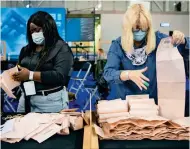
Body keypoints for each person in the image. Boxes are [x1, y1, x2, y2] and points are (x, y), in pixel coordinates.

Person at [103, 4, 189, 104]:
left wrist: (182, 40)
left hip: (153, 103)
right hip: (127, 103)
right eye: (136, 28)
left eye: (144, 28)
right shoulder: (118, 45)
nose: (140, 32)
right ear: (128, 28)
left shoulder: (158, 39)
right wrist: (128, 74)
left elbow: (181, 51)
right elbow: (108, 73)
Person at [12, 11, 74, 112]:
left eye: (38, 29)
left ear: (48, 28)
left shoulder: (61, 48)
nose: (35, 34)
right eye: (32, 31)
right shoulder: (26, 50)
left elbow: (60, 76)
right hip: (26, 99)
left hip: (50, 101)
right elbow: (19, 68)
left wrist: (30, 75)